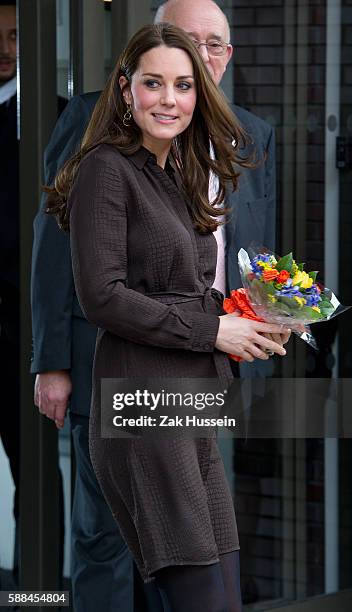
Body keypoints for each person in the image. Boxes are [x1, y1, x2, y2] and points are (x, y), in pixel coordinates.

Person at [31, 1, 277, 609]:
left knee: (216, 588)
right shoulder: (107, 167)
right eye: (153, 83)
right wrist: (212, 330)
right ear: (126, 89)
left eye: (184, 84)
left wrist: (269, 315)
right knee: (172, 581)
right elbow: (101, 293)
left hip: (192, 391)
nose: (169, 98)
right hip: (143, 395)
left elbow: (225, 266)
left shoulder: (178, 168)